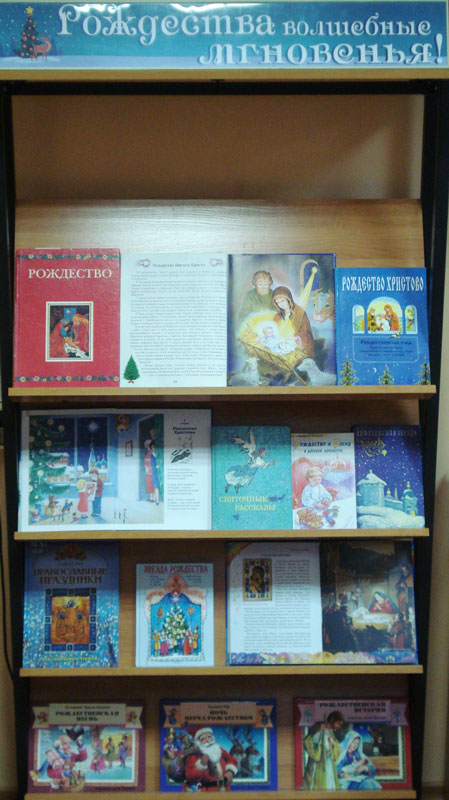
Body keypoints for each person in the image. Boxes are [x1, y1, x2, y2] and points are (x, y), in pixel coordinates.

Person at [184, 727, 239, 791]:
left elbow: (231, 759)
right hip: (205, 791)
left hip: (223, 789)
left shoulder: (218, 750)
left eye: (209, 737)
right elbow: (190, 777)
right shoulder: (193, 755)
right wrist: (201, 765)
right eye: (203, 739)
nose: (207, 740)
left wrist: (230, 771)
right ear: (198, 742)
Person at [302, 711, 344, 790]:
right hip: (318, 764)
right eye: (338, 723)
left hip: (329, 763)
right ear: (332, 720)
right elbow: (308, 742)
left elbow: (336, 746)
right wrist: (318, 733)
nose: (339, 726)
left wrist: (333, 743)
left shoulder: (331, 732)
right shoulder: (318, 727)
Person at [272, 285, 315, 357]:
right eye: (278, 302)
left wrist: (296, 337)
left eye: (282, 301)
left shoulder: (299, 313)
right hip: (280, 344)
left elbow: (306, 333)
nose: (281, 304)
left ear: (288, 299)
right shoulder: (277, 316)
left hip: (294, 345)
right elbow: (273, 331)